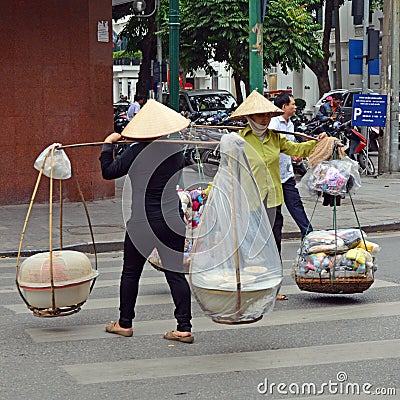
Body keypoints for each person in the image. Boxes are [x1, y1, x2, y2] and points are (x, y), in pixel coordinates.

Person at [99, 99, 194, 343]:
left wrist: (108, 145)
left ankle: (124, 323)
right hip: (171, 220)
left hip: (141, 221)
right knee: (175, 273)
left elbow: (109, 172)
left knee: (131, 273)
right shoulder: (175, 151)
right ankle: (184, 327)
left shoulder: (136, 150)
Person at [228, 90, 327, 256]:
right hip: (251, 201)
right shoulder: (238, 141)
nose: (266, 119)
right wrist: (209, 192)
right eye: (261, 116)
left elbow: (296, 149)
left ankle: (274, 272)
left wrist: (317, 142)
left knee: (274, 237)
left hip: (273, 199)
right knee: (254, 240)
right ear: (250, 117)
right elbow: (228, 171)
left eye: (268, 115)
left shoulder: (275, 138)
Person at [268, 92, 313, 238]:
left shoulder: (290, 124)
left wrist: (293, 159)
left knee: (296, 205)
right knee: (276, 213)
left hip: (286, 175)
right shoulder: (273, 124)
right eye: (292, 104)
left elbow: (290, 146)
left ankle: (308, 234)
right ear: (284, 106)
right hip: (273, 177)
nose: (295, 107)